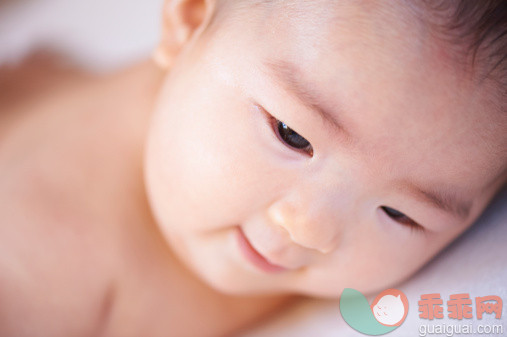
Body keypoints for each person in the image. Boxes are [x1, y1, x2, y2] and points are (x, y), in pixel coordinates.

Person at [0, 0, 505, 336]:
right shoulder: (39, 256)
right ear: (191, 19)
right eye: (292, 134)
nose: (311, 229)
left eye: (400, 213)